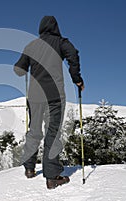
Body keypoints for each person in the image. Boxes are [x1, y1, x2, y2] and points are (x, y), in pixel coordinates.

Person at [14, 16, 84, 189]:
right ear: (55, 27)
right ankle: (52, 177)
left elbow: (18, 69)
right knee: (52, 131)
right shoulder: (61, 42)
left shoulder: (31, 46)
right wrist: (77, 79)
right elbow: (73, 55)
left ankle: (29, 168)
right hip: (54, 95)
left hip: (35, 96)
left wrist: (25, 68)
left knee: (34, 130)